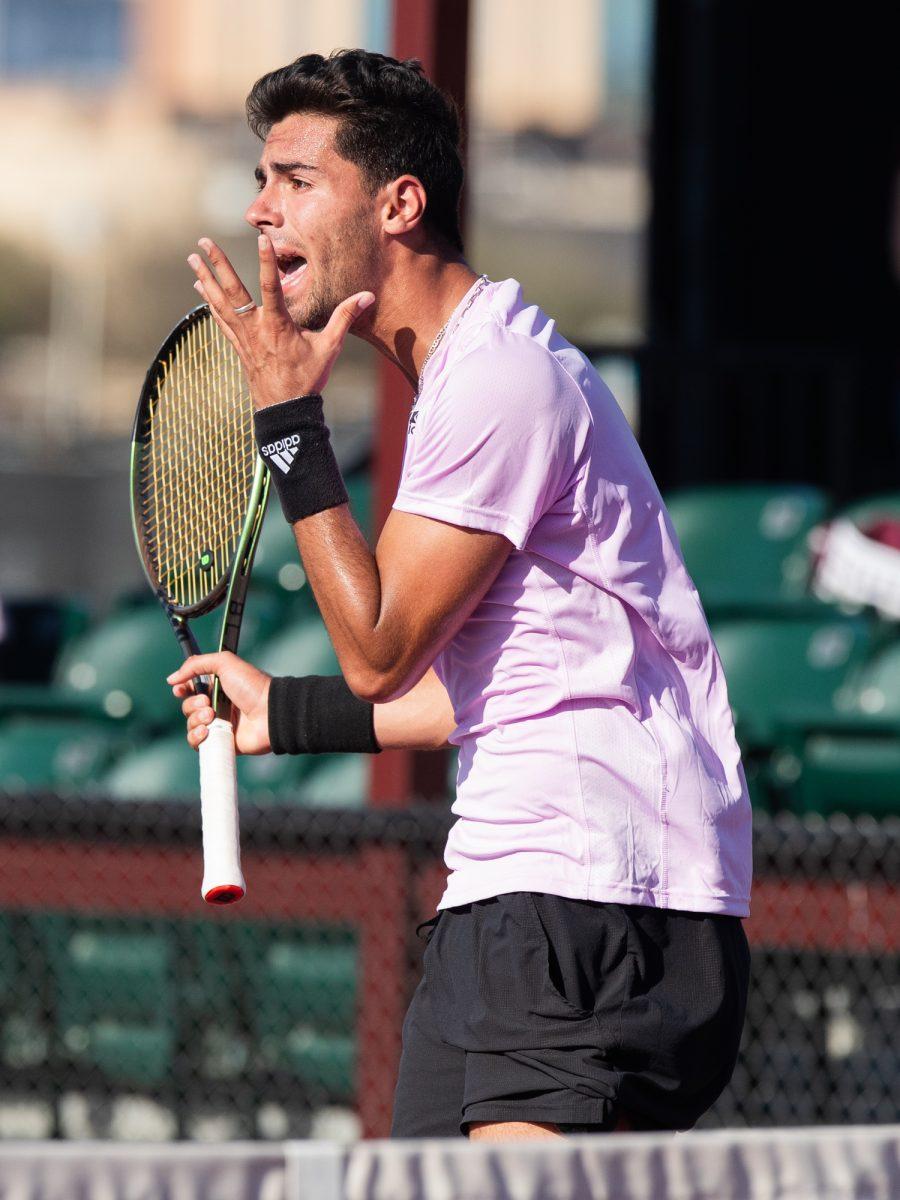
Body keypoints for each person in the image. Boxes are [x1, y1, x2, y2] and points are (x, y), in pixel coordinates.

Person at [167, 49, 752, 1141]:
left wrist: (291, 424)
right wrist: (281, 715)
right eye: (260, 179)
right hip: (514, 899)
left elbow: (381, 652)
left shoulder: (500, 376)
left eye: (295, 178)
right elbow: (491, 684)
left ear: (399, 203)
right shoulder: (468, 383)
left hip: (587, 900)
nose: (259, 208)